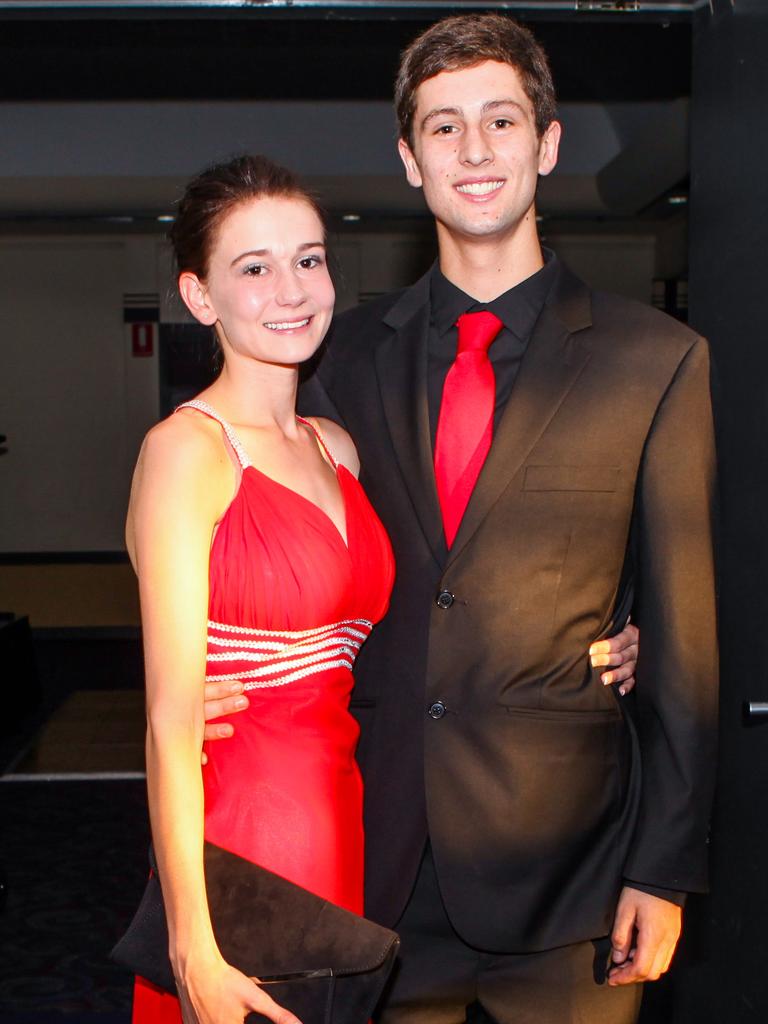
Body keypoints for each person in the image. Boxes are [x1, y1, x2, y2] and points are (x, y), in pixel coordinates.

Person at [201, 13, 717, 1024]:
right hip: (377, 855)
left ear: (548, 143)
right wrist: (219, 662)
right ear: (408, 158)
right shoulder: (337, 356)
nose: (473, 151)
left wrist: (665, 867)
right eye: (443, 127)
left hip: (574, 874)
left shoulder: (656, 359)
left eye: (500, 121)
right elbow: (273, 534)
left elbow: (690, 646)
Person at [126, 154, 395, 1024]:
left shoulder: (337, 449)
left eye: (309, 259)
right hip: (240, 837)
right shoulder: (187, 452)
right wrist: (189, 943)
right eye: (255, 267)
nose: (293, 289)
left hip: (341, 812)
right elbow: (170, 719)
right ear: (200, 297)